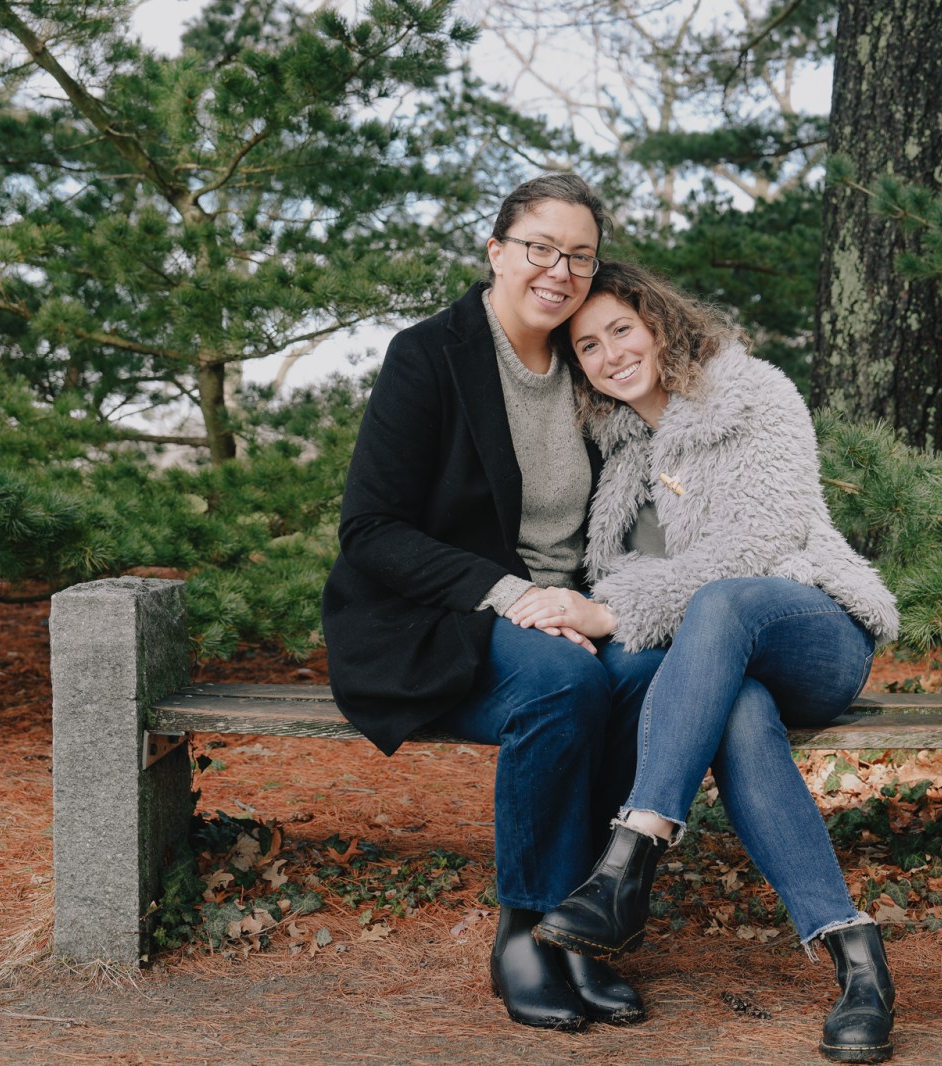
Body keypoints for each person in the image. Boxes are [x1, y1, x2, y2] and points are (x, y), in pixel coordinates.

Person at [505, 261, 903, 1063]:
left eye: (622, 329)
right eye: (587, 345)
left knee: (722, 601)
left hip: (810, 625)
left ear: (659, 323)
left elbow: (756, 544)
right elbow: (602, 569)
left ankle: (631, 853)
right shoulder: (616, 456)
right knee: (741, 709)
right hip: (719, 667)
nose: (610, 352)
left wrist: (613, 612)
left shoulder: (752, 396)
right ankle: (858, 962)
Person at [320, 175, 667, 1032]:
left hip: (569, 610)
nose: (560, 270)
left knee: (647, 670)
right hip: (444, 616)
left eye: (580, 256)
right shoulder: (430, 355)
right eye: (541, 248)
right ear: (497, 252)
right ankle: (529, 931)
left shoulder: (589, 365)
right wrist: (515, 596)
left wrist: (600, 603)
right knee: (561, 684)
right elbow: (369, 528)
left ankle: (587, 924)